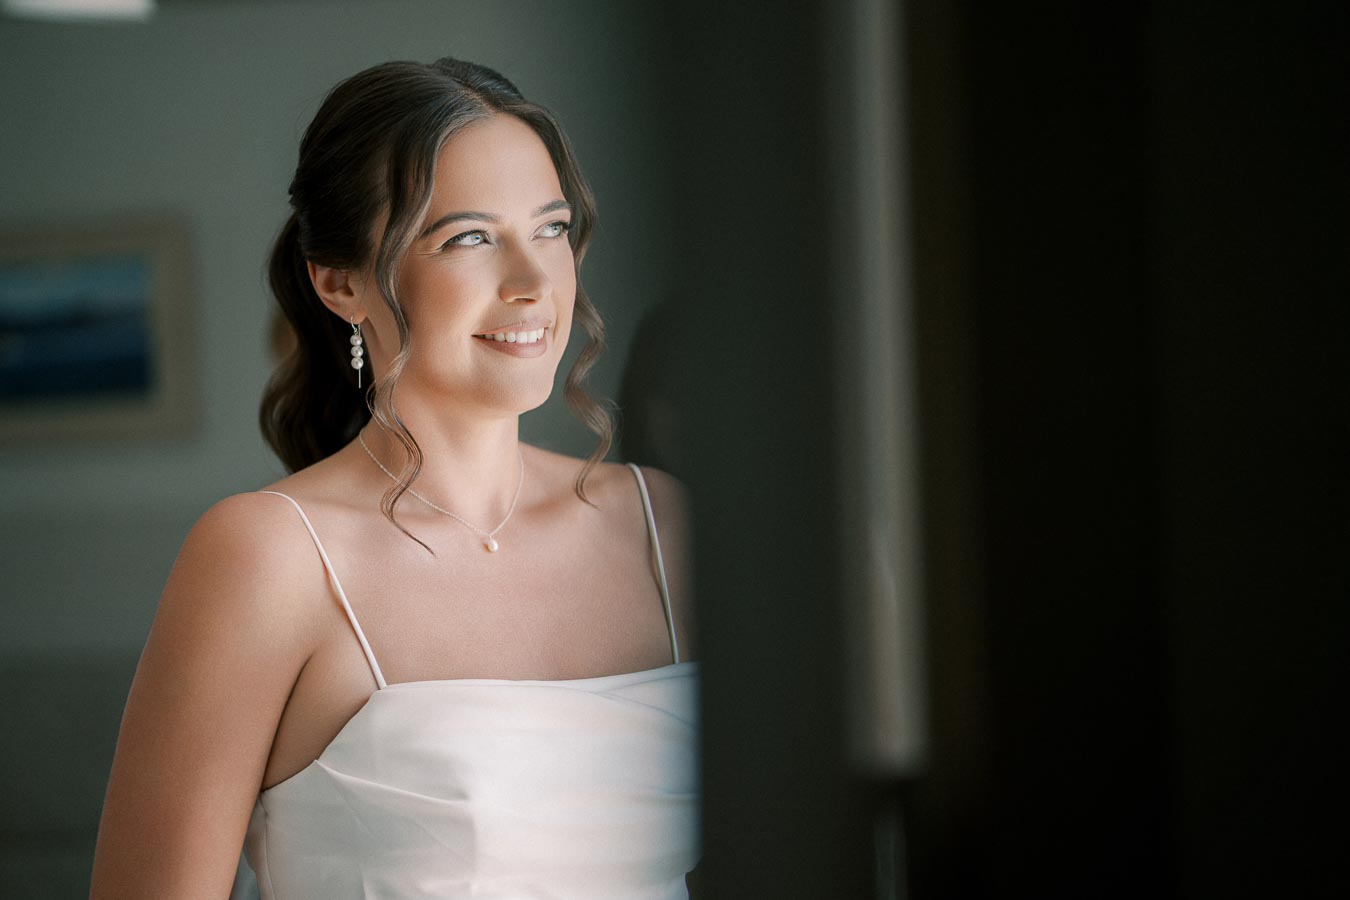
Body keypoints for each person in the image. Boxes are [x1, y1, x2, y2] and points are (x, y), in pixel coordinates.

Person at [90, 58, 699, 898]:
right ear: (340, 283)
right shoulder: (267, 556)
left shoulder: (665, 528)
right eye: (470, 238)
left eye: (551, 229)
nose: (532, 283)